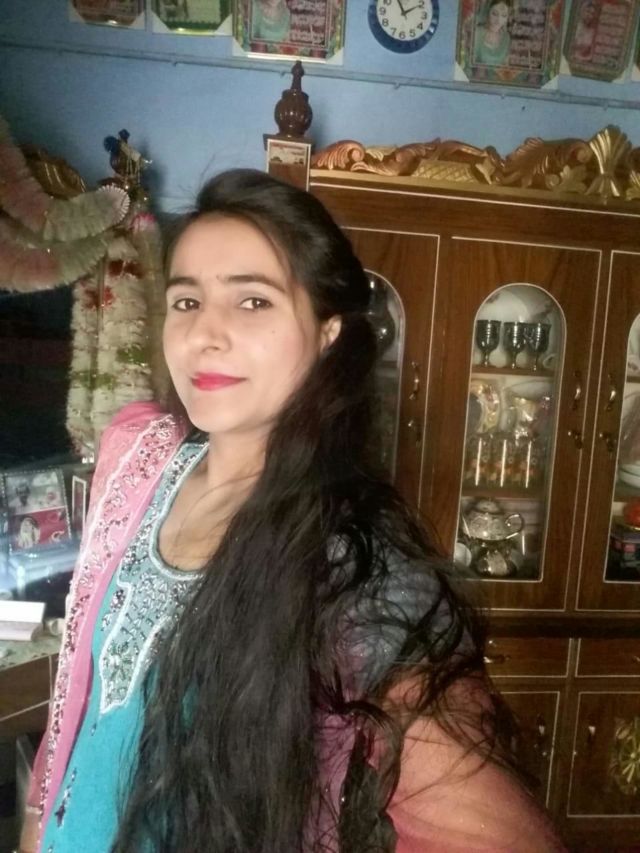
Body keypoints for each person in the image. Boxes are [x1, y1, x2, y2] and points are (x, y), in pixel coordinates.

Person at [20, 169, 565, 852]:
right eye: (186, 301)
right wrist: (37, 826)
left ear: (327, 332)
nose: (204, 334)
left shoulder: (354, 561)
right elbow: (79, 700)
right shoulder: (137, 459)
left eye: (253, 301)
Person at [473, 0, 512, 66]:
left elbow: (505, 66)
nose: (498, 20)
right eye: (494, 14)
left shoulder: (506, 38)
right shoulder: (477, 33)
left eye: (504, 15)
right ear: (488, 12)